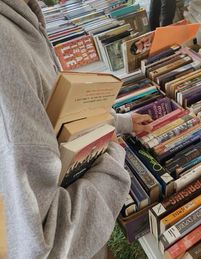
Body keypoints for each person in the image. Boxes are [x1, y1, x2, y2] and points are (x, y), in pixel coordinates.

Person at [0, 0, 152, 258]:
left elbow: (53, 102)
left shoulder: (22, 13)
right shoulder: (6, 51)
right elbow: (49, 245)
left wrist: (118, 121)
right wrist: (110, 151)